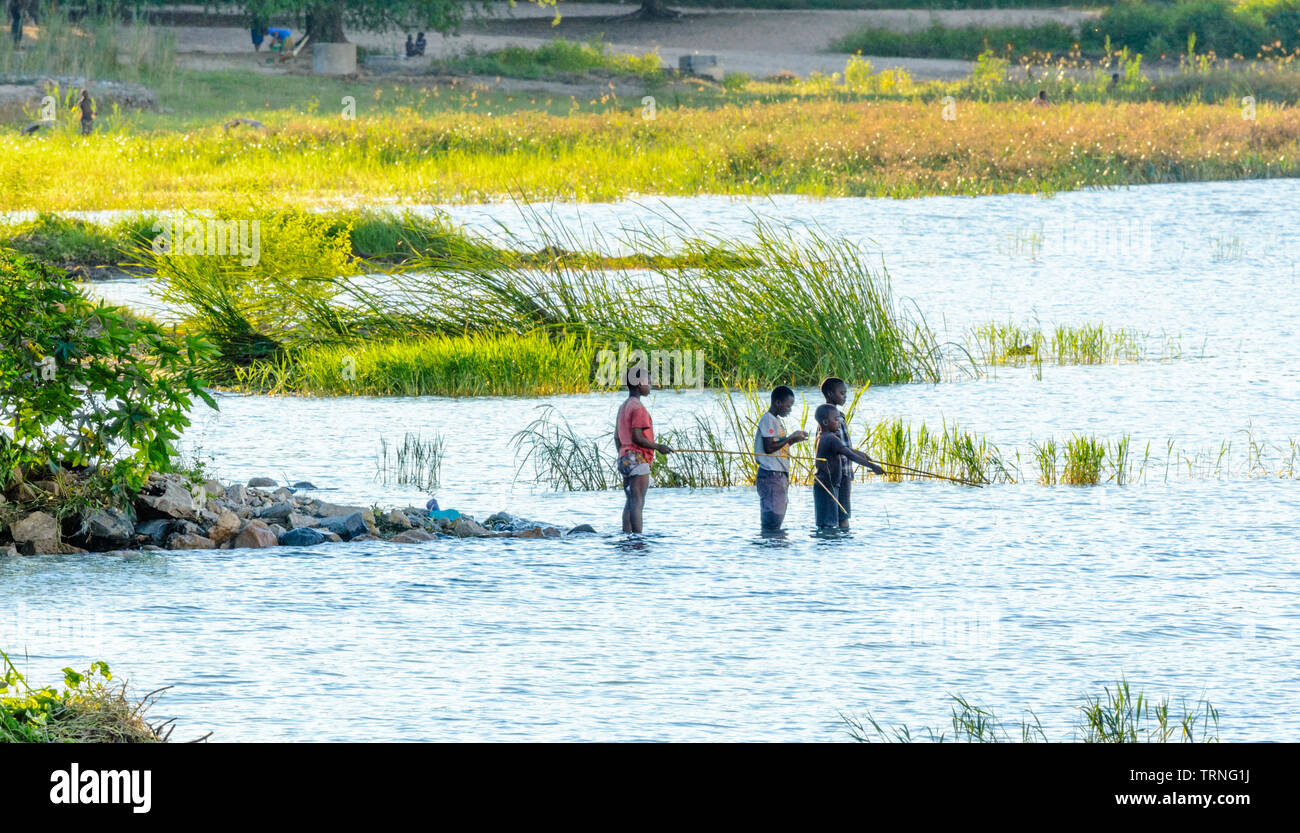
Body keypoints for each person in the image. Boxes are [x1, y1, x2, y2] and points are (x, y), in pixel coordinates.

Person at [615, 364, 672, 533]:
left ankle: (627, 535)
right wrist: (659, 447)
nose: (651, 383)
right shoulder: (638, 408)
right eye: (648, 380)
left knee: (630, 501)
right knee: (638, 502)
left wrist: (622, 454)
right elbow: (637, 437)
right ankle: (638, 538)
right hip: (638, 459)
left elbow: (617, 437)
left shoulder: (623, 406)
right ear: (639, 384)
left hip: (624, 458)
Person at [812, 404, 882, 530]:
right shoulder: (831, 439)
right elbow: (849, 455)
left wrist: (861, 454)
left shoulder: (822, 436)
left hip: (825, 485)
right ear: (826, 422)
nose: (839, 422)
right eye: (836, 419)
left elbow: (847, 451)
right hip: (827, 486)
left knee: (825, 523)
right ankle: (829, 547)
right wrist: (872, 466)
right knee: (828, 525)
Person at [754, 385, 807, 531]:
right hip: (771, 475)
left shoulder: (776, 421)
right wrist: (791, 436)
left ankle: (775, 548)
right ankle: (771, 549)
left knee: (777, 518)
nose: (790, 409)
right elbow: (769, 447)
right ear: (777, 403)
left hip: (779, 475)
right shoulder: (768, 419)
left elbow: (779, 446)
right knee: (772, 519)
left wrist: (794, 439)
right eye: (788, 406)